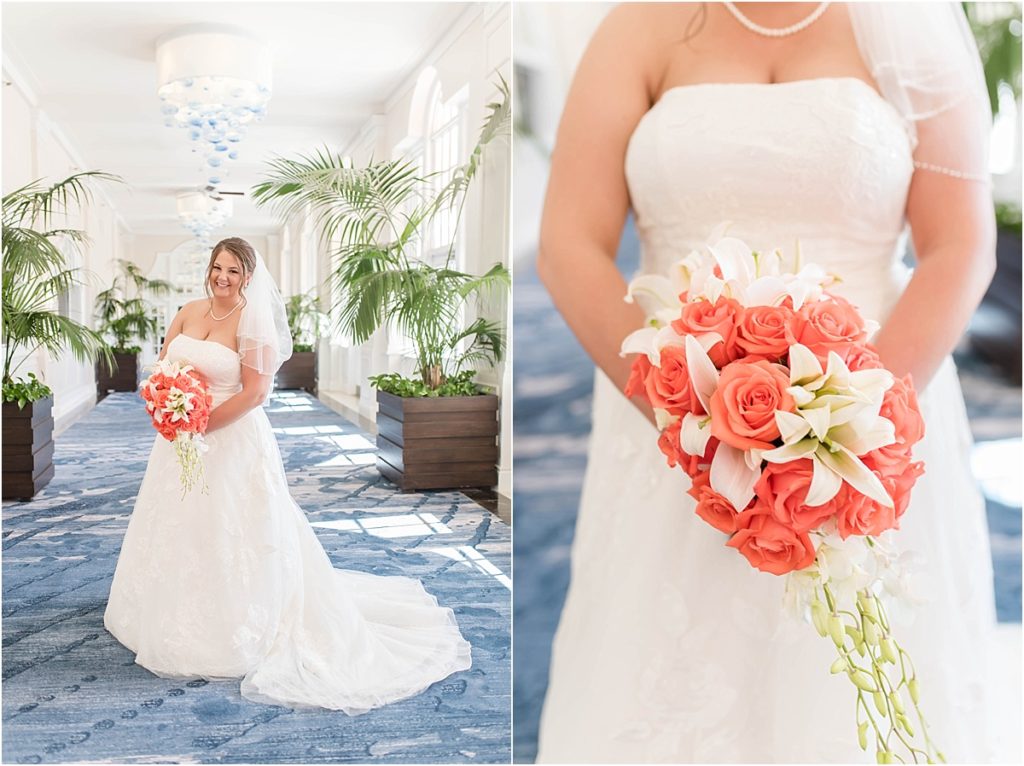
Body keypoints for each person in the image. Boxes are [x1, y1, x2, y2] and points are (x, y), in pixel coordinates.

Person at [535, 2, 1003, 762]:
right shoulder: (638, 25)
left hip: (876, 406)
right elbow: (567, 243)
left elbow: (959, 244)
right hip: (669, 419)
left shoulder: (907, 24)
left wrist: (848, 426)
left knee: (856, 679)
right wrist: (688, 413)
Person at [104, 237, 471, 713]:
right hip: (178, 437)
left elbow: (255, 393)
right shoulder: (188, 311)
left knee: (231, 523)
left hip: (229, 434)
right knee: (176, 517)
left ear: (248, 278)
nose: (222, 277)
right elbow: (162, 367)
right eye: (218, 267)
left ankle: (235, 618)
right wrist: (168, 405)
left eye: (234, 271)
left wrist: (200, 424)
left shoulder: (253, 323)